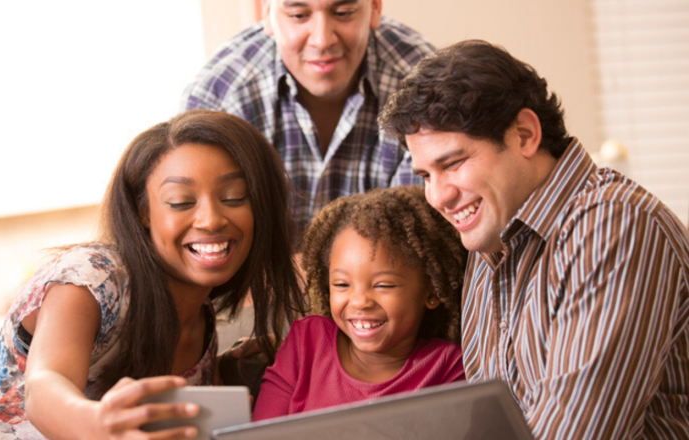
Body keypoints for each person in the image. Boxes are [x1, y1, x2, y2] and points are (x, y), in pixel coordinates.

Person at [379, 39, 689, 439]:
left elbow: (577, 433)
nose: (438, 196)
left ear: (525, 134)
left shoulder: (616, 226)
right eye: (425, 176)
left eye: (452, 164)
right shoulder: (492, 237)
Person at [0, 109, 306, 440]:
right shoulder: (92, 279)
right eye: (181, 202)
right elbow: (46, 385)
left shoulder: (203, 322)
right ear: (143, 213)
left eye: (234, 197)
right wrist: (97, 423)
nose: (211, 219)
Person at [181, 0, 436, 237]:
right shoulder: (218, 98)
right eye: (299, 15)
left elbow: (412, 244)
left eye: (343, 13)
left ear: (375, 7)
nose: (322, 40)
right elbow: (213, 246)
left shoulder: (426, 88)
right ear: (267, 12)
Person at [252, 186, 467, 420]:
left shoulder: (447, 368)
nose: (360, 301)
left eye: (383, 285)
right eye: (342, 285)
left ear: (432, 292)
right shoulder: (306, 344)